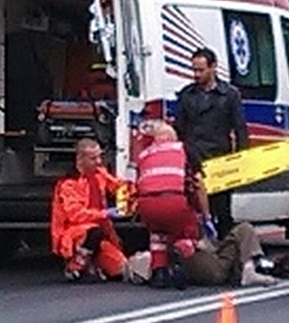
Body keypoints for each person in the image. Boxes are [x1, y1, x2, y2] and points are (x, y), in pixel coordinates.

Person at [174, 47, 249, 237]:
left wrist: (242, 158)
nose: (196, 74)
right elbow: (179, 128)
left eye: (201, 70)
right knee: (194, 210)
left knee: (222, 211)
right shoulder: (186, 94)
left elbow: (240, 128)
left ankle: (225, 253)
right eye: (194, 70)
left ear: (213, 67)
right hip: (194, 157)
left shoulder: (230, 94)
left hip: (219, 158)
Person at [50, 137, 128, 281]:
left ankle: (94, 265)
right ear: (80, 159)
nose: (99, 161)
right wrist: (103, 213)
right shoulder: (69, 184)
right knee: (93, 232)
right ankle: (75, 266)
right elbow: (75, 215)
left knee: (121, 269)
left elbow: (119, 186)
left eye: (99, 156)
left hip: (100, 232)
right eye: (93, 158)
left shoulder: (99, 174)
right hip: (74, 234)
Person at [133, 121, 200, 289]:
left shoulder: (144, 154)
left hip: (146, 204)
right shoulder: (183, 149)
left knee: (157, 233)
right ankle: (180, 253)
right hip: (173, 201)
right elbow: (197, 183)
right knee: (188, 229)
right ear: (172, 138)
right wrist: (204, 214)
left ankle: (158, 271)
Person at [175, 221, 278, 287]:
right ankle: (246, 271)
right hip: (206, 262)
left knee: (245, 228)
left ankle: (248, 270)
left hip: (218, 258)